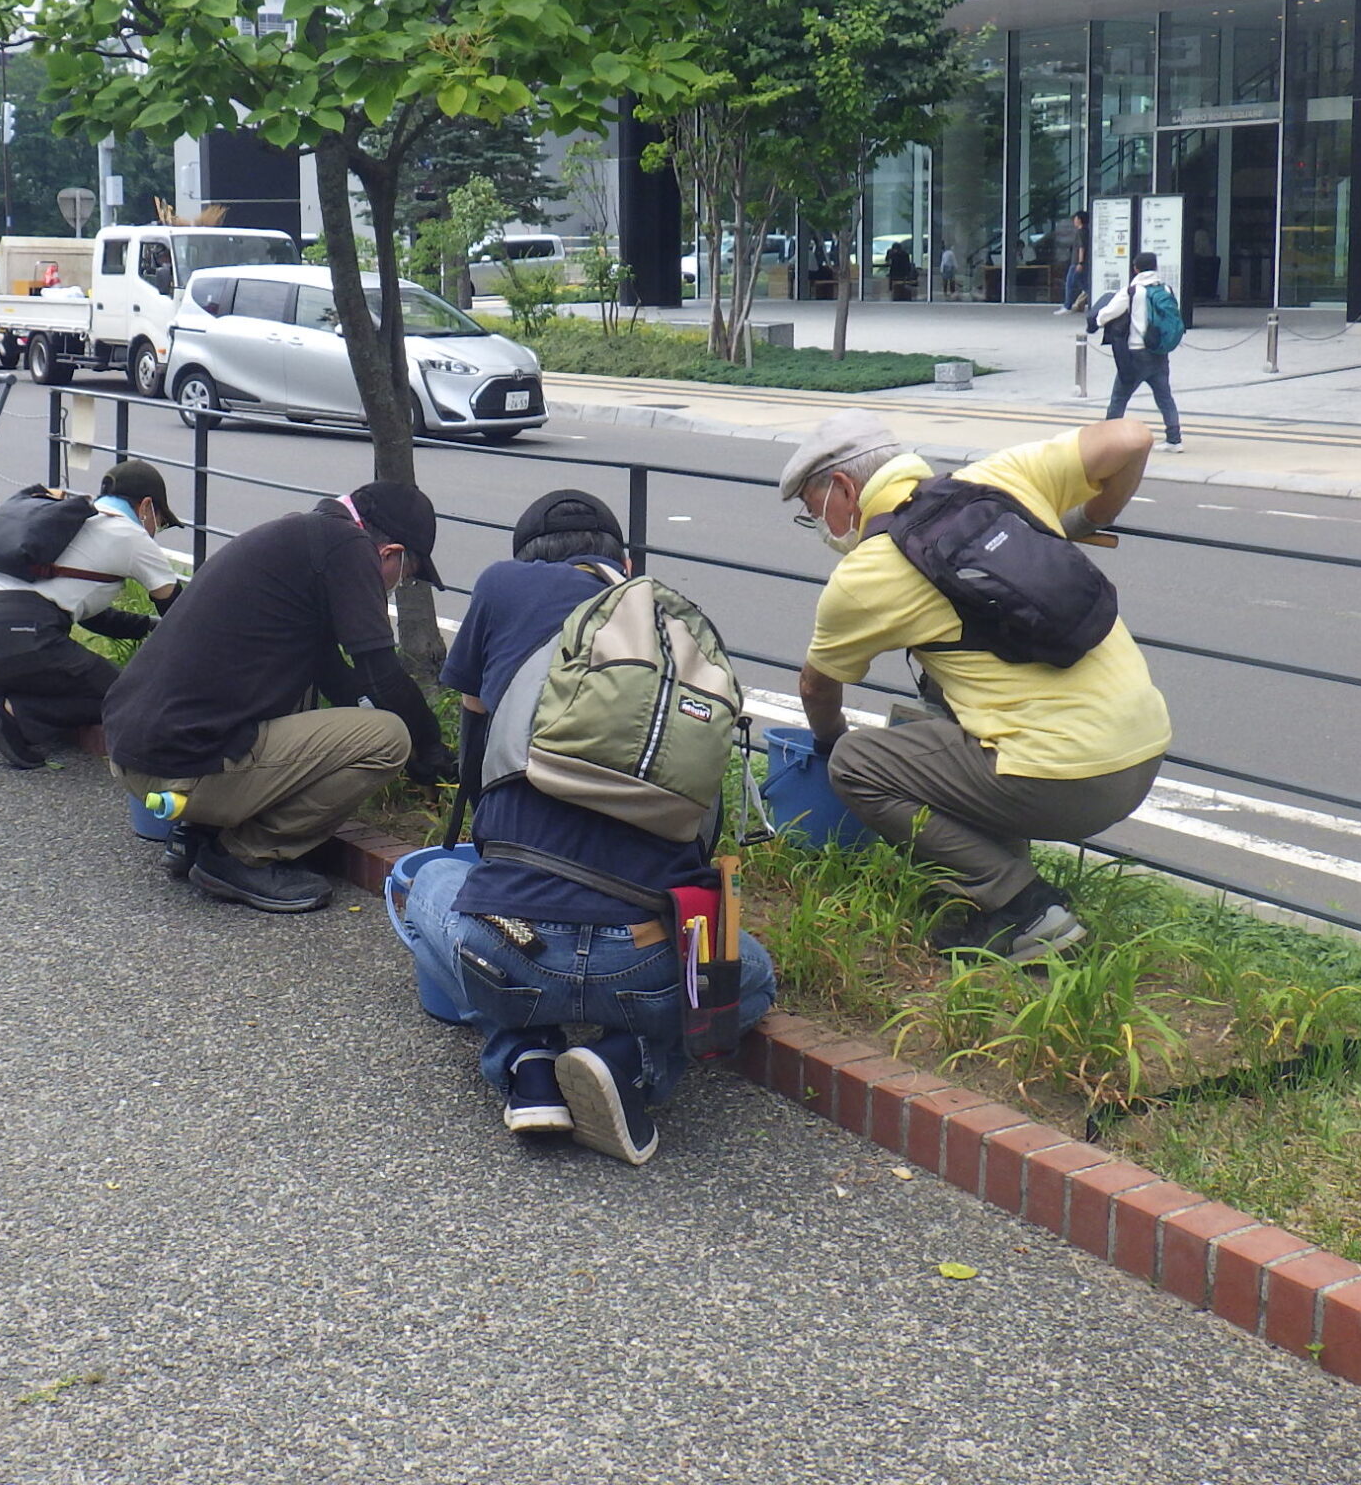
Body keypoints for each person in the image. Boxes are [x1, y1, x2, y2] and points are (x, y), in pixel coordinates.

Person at [399, 490, 776, 1164]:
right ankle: (625, 1062)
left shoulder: (504, 585)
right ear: (625, 566)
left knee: (433, 884)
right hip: (649, 965)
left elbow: (474, 714)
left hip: (508, 950)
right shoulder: (675, 635)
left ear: (525, 560)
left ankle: (527, 1062)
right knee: (754, 974)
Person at [781, 411, 1172, 961]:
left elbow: (817, 689)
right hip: (1145, 750)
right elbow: (1132, 437)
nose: (819, 525)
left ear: (844, 488)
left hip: (1066, 783)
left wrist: (827, 745)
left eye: (813, 509)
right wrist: (1083, 519)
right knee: (948, 711)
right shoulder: (999, 478)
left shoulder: (867, 573)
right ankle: (991, 890)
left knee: (856, 763)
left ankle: (1025, 909)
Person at [105, 481, 458, 914]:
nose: (396, 586)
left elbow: (335, 676)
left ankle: (198, 833)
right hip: (180, 766)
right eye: (406, 576)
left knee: (301, 689)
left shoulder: (301, 538)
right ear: (390, 553)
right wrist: (429, 748)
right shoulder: (349, 547)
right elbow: (380, 674)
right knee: (388, 739)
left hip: (135, 750)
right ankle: (243, 855)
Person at [0, 459, 185, 770]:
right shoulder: (132, 536)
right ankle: (12, 713)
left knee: (54, 662)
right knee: (125, 695)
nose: (157, 529)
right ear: (145, 507)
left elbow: (91, 615)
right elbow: (181, 612)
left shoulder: (68, 524)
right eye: (161, 521)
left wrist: (147, 627)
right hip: (8, 634)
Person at [1093, 252, 1186, 452]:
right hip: (1159, 352)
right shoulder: (1166, 289)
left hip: (1136, 354)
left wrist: (1097, 319)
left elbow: (1106, 314)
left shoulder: (1132, 291)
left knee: (1119, 397)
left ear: (1135, 268)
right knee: (1165, 397)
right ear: (1155, 267)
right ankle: (1174, 439)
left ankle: (1107, 441)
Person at [1059, 211, 1090, 313]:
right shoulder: (1086, 231)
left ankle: (1067, 306)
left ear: (1080, 220)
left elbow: (1081, 248)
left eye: (1075, 218)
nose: (1074, 221)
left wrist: (1080, 262)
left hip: (1077, 263)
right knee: (1084, 285)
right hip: (1081, 263)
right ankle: (1095, 297)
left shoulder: (1080, 232)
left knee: (1070, 283)